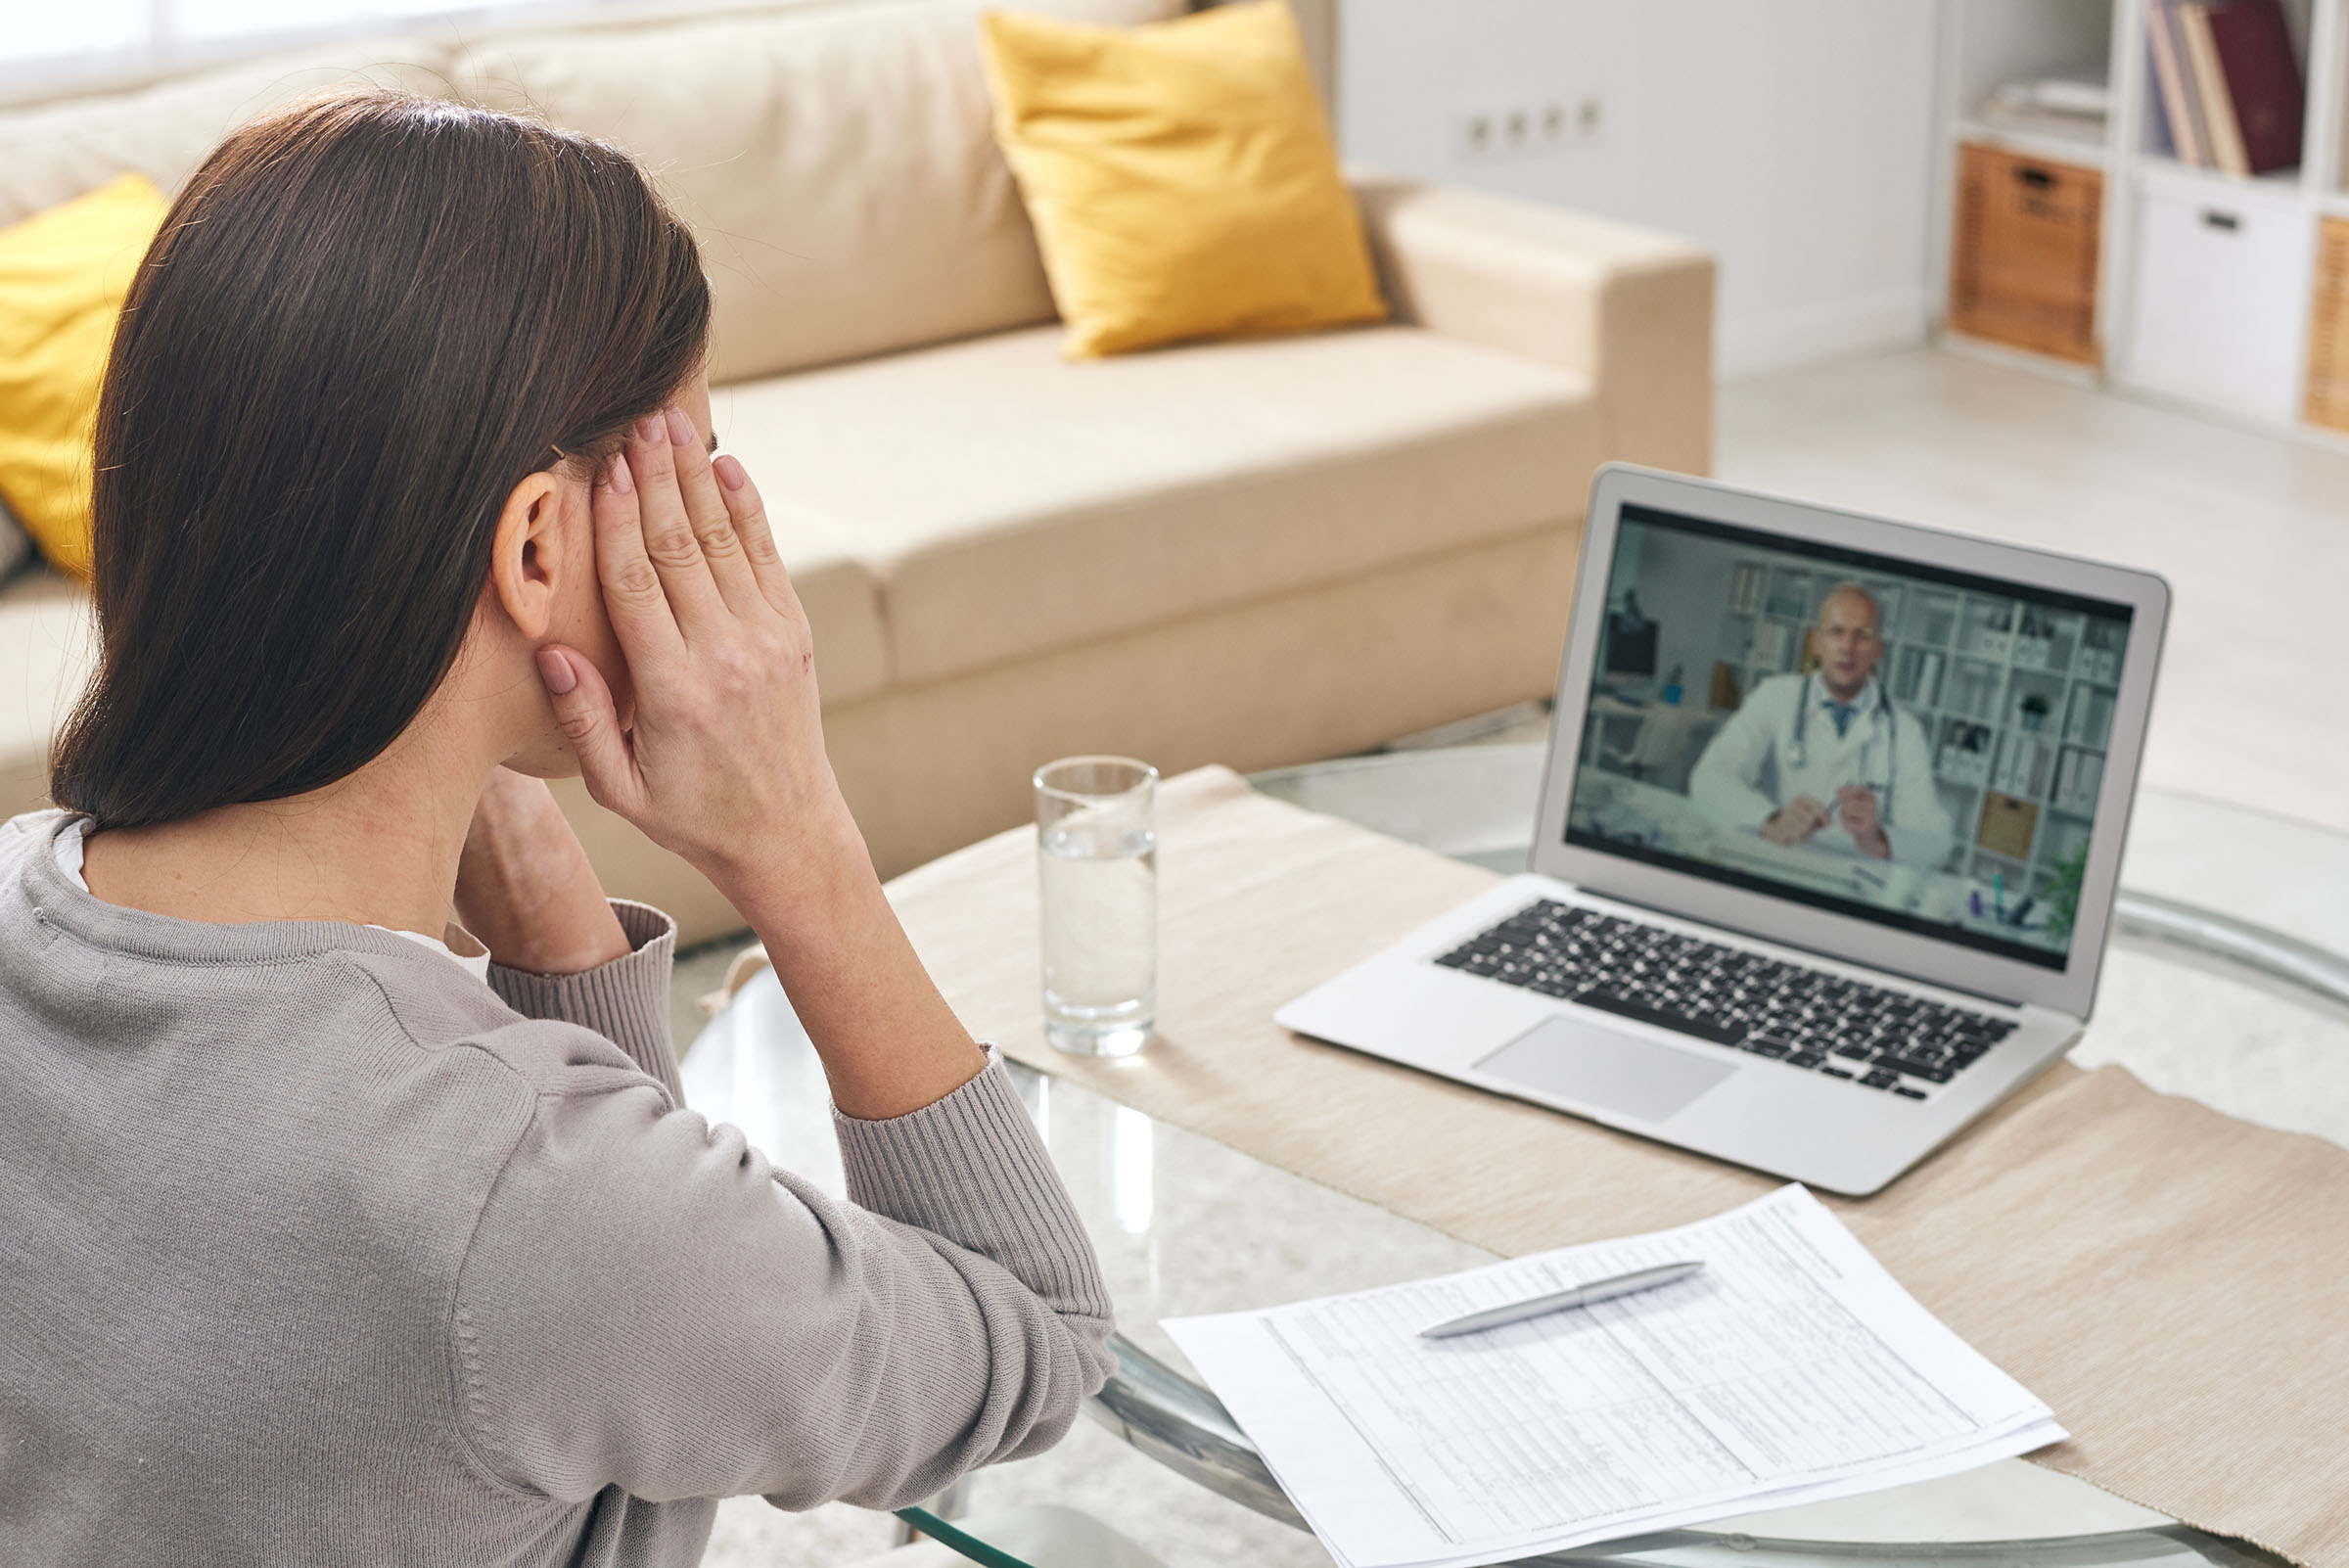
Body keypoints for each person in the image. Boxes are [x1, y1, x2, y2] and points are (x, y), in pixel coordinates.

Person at [0, 93, 1113, 1567]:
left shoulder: (22, 883)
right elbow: (1035, 1337)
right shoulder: (515, 1186)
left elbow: (575, 1361)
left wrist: (553, 929)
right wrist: (797, 837)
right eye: (693, 468)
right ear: (534, 545)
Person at [1687, 583, 1955, 867]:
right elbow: (1709, 778)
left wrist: (1878, 839)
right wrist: (1771, 820)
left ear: (1877, 650)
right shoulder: (1775, 697)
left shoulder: (1904, 731)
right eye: (1836, 632)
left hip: (1852, 880)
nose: (1847, 647)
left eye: (1861, 635)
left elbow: (1936, 842)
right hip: (1775, 861)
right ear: (1815, 642)